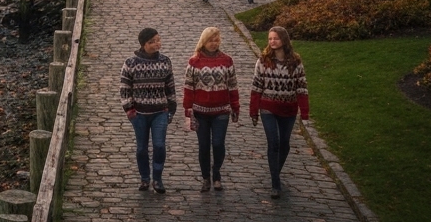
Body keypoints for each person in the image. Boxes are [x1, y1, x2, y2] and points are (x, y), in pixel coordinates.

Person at [250, 26, 309, 198]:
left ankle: (275, 171)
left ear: (284, 40)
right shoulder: (263, 61)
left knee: (284, 143)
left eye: (275, 38)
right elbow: (256, 87)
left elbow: (302, 88)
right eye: (270, 39)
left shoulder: (295, 62)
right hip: (268, 107)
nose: (272, 41)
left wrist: (304, 113)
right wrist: (254, 110)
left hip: (288, 108)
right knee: (273, 142)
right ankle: (275, 183)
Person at [182, 27, 239, 192]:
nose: (214, 43)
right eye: (210, 40)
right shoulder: (194, 62)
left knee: (218, 143)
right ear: (203, 42)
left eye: (216, 40)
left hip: (221, 111)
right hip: (200, 112)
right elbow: (188, 87)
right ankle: (206, 177)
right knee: (204, 145)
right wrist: (188, 109)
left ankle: (217, 173)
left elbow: (232, 86)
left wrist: (235, 107)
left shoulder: (227, 61)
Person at [120, 27, 176, 193]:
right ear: (143, 44)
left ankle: (157, 179)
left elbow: (170, 87)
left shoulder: (165, 61)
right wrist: (130, 111)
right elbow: (125, 88)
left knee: (159, 145)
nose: (156, 44)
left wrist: (171, 108)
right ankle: (145, 178)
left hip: (160, 112)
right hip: (140, 114)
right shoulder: (131, 63)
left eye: (158, 40)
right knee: (141, 148)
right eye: (152, 42)